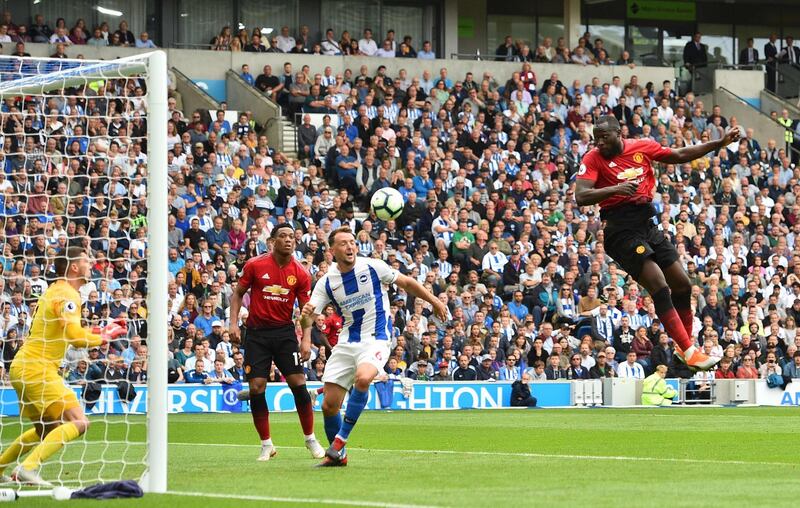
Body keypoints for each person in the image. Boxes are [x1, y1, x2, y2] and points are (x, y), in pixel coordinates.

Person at [575, 115, 740, 371]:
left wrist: (719, 143)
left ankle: (685, 348)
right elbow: (581, 196)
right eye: (596, 138)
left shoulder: (641, 146)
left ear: (619, 133)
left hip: (647, 225)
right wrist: (614, 190)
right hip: (621, 231)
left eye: (604, 137)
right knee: (659, 286)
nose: (599, 142)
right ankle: (688, 350)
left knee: (684, 286)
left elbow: (680, 154)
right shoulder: (593, 158)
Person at [301, 227, 448, 467]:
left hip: (376, 337)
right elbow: (309, 317)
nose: (350, 247)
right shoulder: (326, 282)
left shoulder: (373, 266)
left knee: (364, 377)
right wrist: (304, 323)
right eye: (344, 243)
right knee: (329, 405)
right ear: (332, 250)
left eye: (352, 242)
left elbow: (408, 283)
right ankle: (340, 458)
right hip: (348, 341)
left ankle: (339, 443)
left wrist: (434, 301)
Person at [0, 247, 127, 485]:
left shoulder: (54, 291)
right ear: (74, 267)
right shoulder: (68, 294)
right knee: (79, 421)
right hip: (38, 368)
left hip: (22, 367)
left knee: (46, 431)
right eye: (87, 261)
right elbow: (77, 338)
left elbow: (73, 332)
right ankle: (27, 468)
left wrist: (103, 329)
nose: (92, 265)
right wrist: (105, 336)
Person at [229, 224, 325, 461]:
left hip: (284, 334)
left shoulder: (301, 274)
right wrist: (233, 323)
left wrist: (306, 340)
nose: (288, 240)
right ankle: (266, 444)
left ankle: (310, 439)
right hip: (256, 334)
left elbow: (306, 310)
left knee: (298, 385)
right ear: (272, 241)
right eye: (282, 236)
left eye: (292, 237)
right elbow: (238, 294)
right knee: (256, 388)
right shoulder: (255, 265)